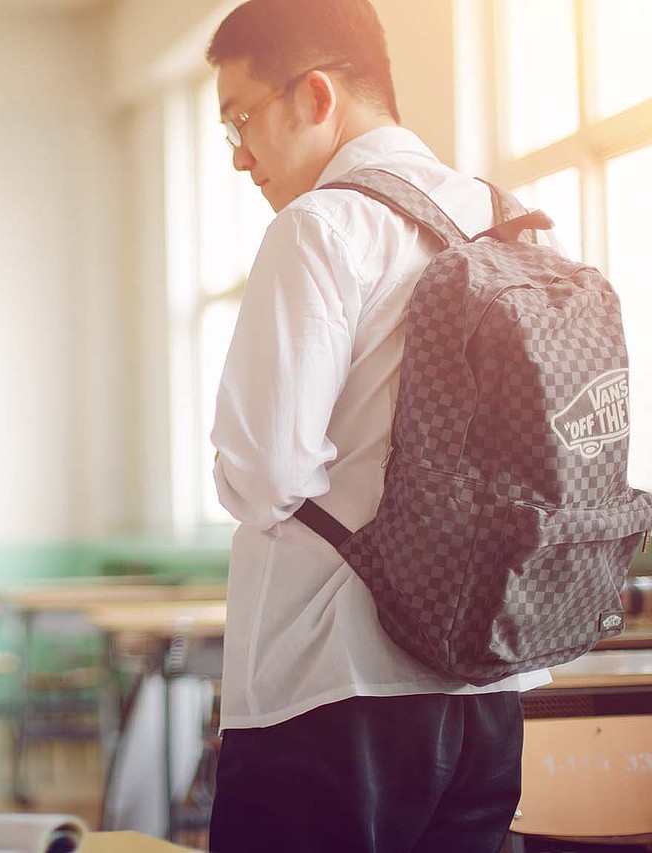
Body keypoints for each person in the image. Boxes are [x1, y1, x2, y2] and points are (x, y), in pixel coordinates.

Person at [204, 1, 549, 851]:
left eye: (241, 119)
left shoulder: (320, 226)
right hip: (491, 684)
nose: (241, 155)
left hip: (334, 684)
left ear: (315, 96)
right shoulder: (510, 223)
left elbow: (262, 474)